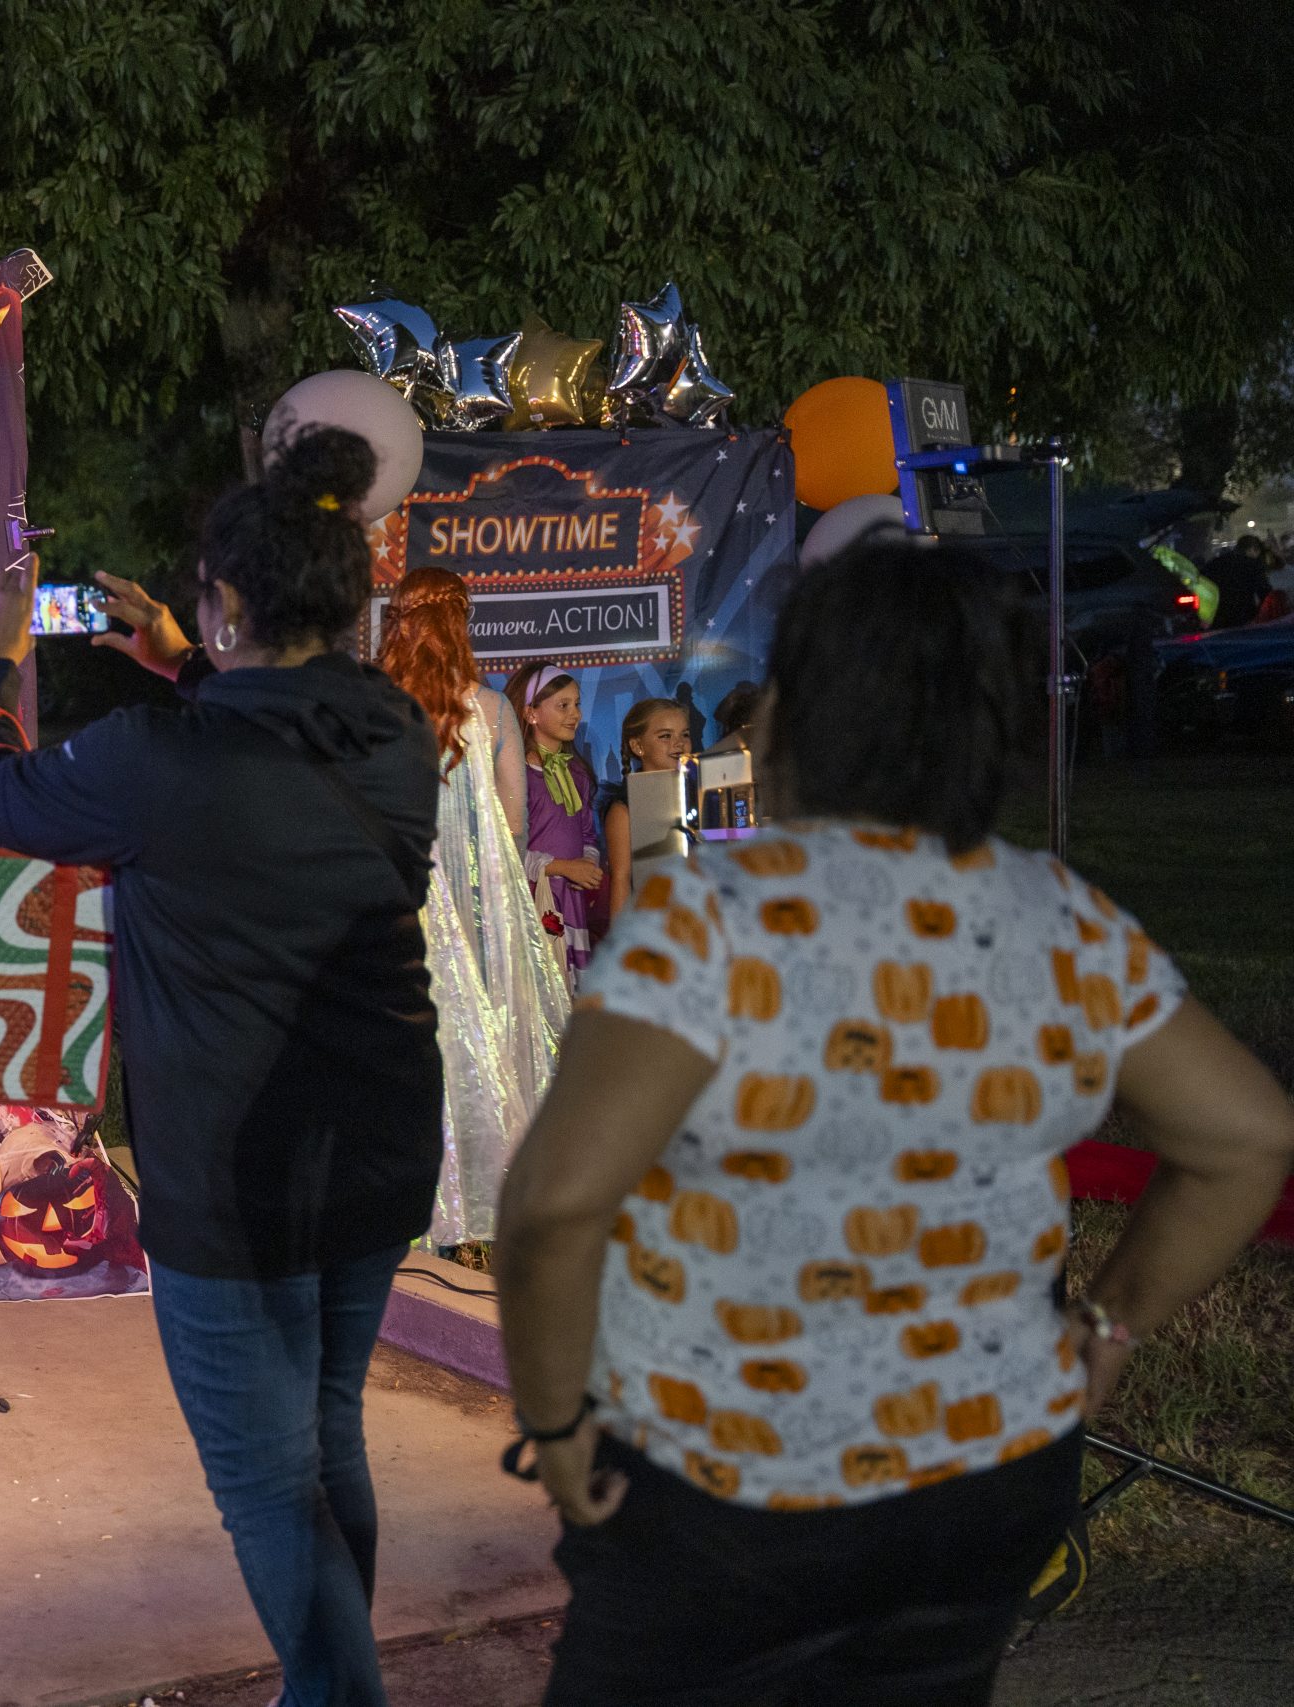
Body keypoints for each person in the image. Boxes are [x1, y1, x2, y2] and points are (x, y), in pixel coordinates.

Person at [492, 539, 1294, 1706]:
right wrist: (1106, 1334)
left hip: (729, 1490)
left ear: (796, 712)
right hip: (986, 1484)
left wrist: (558, 1425)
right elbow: (1246, 1138)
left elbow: (558, 1204)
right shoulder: (1058, 916)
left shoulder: (711, 916)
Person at [0, 428, 444, 1707]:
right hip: (378, 1140)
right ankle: (323, 1686)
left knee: (264, 1482)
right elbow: (266, 753)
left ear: (222, 601)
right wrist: (182, 659)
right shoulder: (392, 729)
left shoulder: (151, 762)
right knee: (324, 1429)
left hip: (237, 1165)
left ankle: (341, 1698)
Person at [376, 568, 569, 1246]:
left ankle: (412, 1206)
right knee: (484, 1048)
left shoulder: (372, 708)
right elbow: (514, 824)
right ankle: (484, 1207)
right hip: (479, 919)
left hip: (390, 914)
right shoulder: (490, 710)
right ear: (461, 625)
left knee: (405, 1053)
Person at [504, 662, 602, 987]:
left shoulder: (578, 774)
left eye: (576, 704)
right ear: (531, 713)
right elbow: (508, 851)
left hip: (570, 903)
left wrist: (587, 863)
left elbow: (587, 833)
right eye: (563, 705)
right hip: (535, 901)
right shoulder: (517, 777)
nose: (574, 714)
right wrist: (563, 867)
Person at [600, 697, 694, 910]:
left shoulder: (701, 794)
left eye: (685, 734)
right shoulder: (624, 809)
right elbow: (621, 881)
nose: (679, 743)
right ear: (638, 746)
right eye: (665, 736)